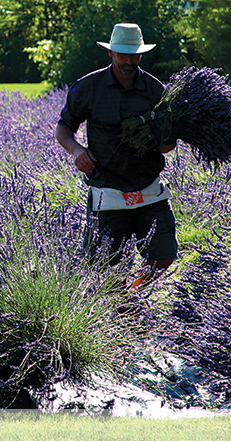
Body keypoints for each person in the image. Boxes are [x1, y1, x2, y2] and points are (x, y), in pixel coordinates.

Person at [54, 23, 178, 291]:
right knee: (107, 264)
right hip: (107, 188)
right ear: (110, 53)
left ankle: (133, 293)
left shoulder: (156, 91)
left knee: (164, 254)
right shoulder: (88, 87)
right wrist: (77, 151)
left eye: (135, 55)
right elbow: (63, 129)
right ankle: (123, 316)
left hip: (147, 186)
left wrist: (166, 138)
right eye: (123, 55)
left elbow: (167, 146)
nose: (130, 61)